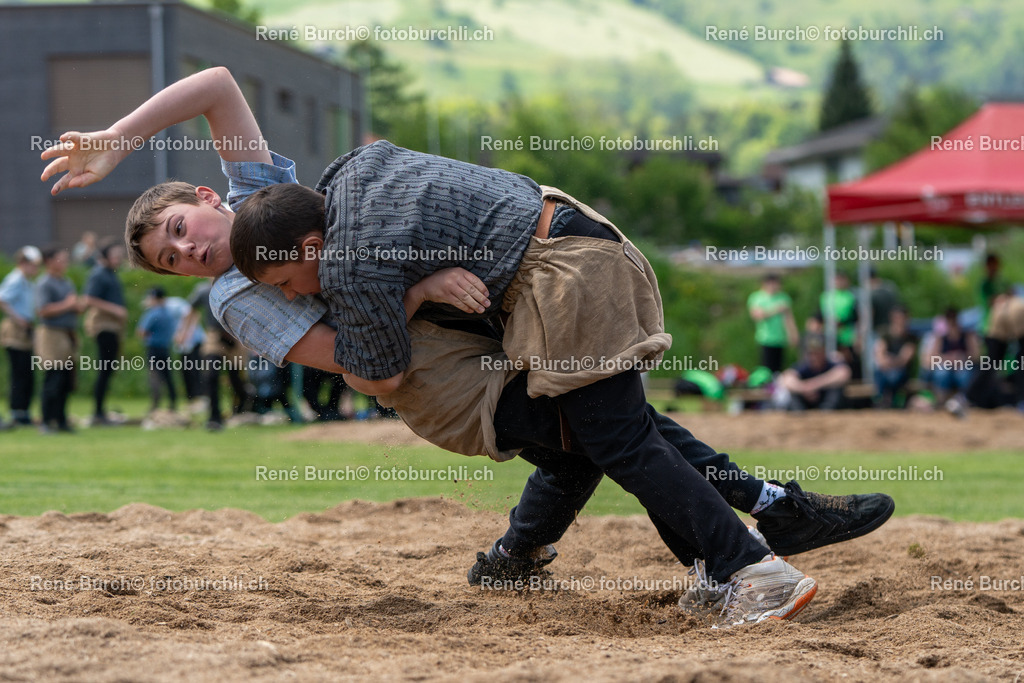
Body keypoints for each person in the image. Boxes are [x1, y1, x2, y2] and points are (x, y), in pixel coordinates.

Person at [42, 66, 894, 627]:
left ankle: (737, 559)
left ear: (209, 198)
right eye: (172, 261)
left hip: (526, 298)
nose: (190, 254)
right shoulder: (242, 289)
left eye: (183, 232)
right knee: (609, 433)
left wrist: (118, 138)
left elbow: (218, 83)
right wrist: (417, 284)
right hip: (455, 369)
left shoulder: (273, 205)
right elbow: (366, 364)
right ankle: (743, 531)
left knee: (609, 436)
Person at [34, 246, 81, 433]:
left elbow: (69, 306)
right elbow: (43, 310)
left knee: (65, 381)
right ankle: (46, 421)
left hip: (67, 335)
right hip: (51, 335)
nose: (65, 262)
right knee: (52, 380)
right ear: (49, 261)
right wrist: (67, 305)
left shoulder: (66, 282)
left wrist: (76, 307)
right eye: (61, 258)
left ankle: (61, 420)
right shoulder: (44, 283)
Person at [82, 239, 128, 425]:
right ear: (105, 257)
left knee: (108, 369)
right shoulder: (99, 273)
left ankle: (101, 411)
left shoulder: (110, 273)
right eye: (115, 255)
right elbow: (88, 298)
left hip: (113, 327)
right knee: (104, 369)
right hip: (103, 326)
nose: (118, 258)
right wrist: (115, 309)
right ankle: (98, 413)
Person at [0, 246, 43, 426]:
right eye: (33, 265)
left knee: (27, 372)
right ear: (23, 263)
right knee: (19, 372)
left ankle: (24, 412)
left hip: (26, 330)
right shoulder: (16, 279)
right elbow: (2, 299)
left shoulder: (27, 281)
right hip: (15, 331)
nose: (35, 269)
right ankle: (17, 412)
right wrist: (18, 319)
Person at [775, 334, 851, 411]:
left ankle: (827, 411)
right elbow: (786, 379)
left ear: (824, 352)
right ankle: (798, 414)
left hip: (827, 404)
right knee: (793, 394)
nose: (814, 357)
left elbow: (844, 373)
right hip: (805, 404)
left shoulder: (831, 363)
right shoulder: (803, 366)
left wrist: (814, 385)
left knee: (836, 389)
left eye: (817, 353)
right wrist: (805, 388)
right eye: (811, 353)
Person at [136, 287, 178, 413]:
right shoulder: (169, 314)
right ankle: (172, 403)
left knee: (154, 377)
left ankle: (155, 405)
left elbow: (141, 332)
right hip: (165, 348)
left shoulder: (152, 313)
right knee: (168, 377)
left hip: (153, 349)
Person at [927, 307, 979, 407]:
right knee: (941, 373)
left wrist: (962, 357)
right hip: (946, 367)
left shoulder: (967, 336)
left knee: (963, 374)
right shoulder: (941, 338)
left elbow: (975, 355)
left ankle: (964, 400)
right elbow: (931, 358)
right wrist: (947, 358)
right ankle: (942, 401)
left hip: (963, 366)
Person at [747, 273, 798, 374]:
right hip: (765, 339)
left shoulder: (783, 297)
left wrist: (793, 334)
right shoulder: (757, 297)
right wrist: (776, 309)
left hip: (780, 339)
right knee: (766, 370)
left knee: (778, 370)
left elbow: (789, 318)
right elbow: (757, 315)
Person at [872, 307, 917, 408]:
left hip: (902, 373)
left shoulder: (910, 338)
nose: (899, 321)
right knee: (880, 373)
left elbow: (904, 360)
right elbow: (880, 358)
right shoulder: (884, 334)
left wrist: (889, 359)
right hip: (886, 371)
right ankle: (882, 401)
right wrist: (895, 360)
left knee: (895, 376)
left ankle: (889, 401)